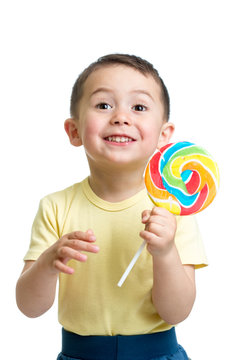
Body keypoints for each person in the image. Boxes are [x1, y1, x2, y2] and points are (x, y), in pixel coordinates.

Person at [16, 54, 208, 360]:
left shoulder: (173, 210)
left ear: (164, 136)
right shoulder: (55, 206)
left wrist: (166, 251)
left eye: (139, 107)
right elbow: (29, 307)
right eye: (103, 105)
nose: (121, 116)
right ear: (74, 130)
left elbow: (177, 312)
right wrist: (48, 262)